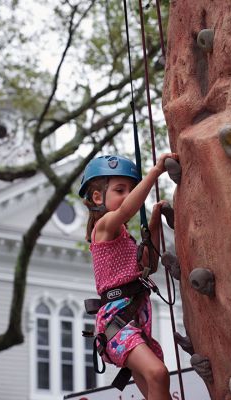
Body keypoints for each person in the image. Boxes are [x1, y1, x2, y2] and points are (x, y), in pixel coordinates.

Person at [79, 153, 178, 400]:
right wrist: (155, 172)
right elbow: (125, 209)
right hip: (117, 320)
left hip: (135, 319)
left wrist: (154, 223)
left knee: (156, 383)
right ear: (98, 197)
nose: (127, 195)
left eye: (130, 189)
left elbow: (149, 264)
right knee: (157, 373)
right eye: (120, 189)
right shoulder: (103, 228)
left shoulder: (124, 236)